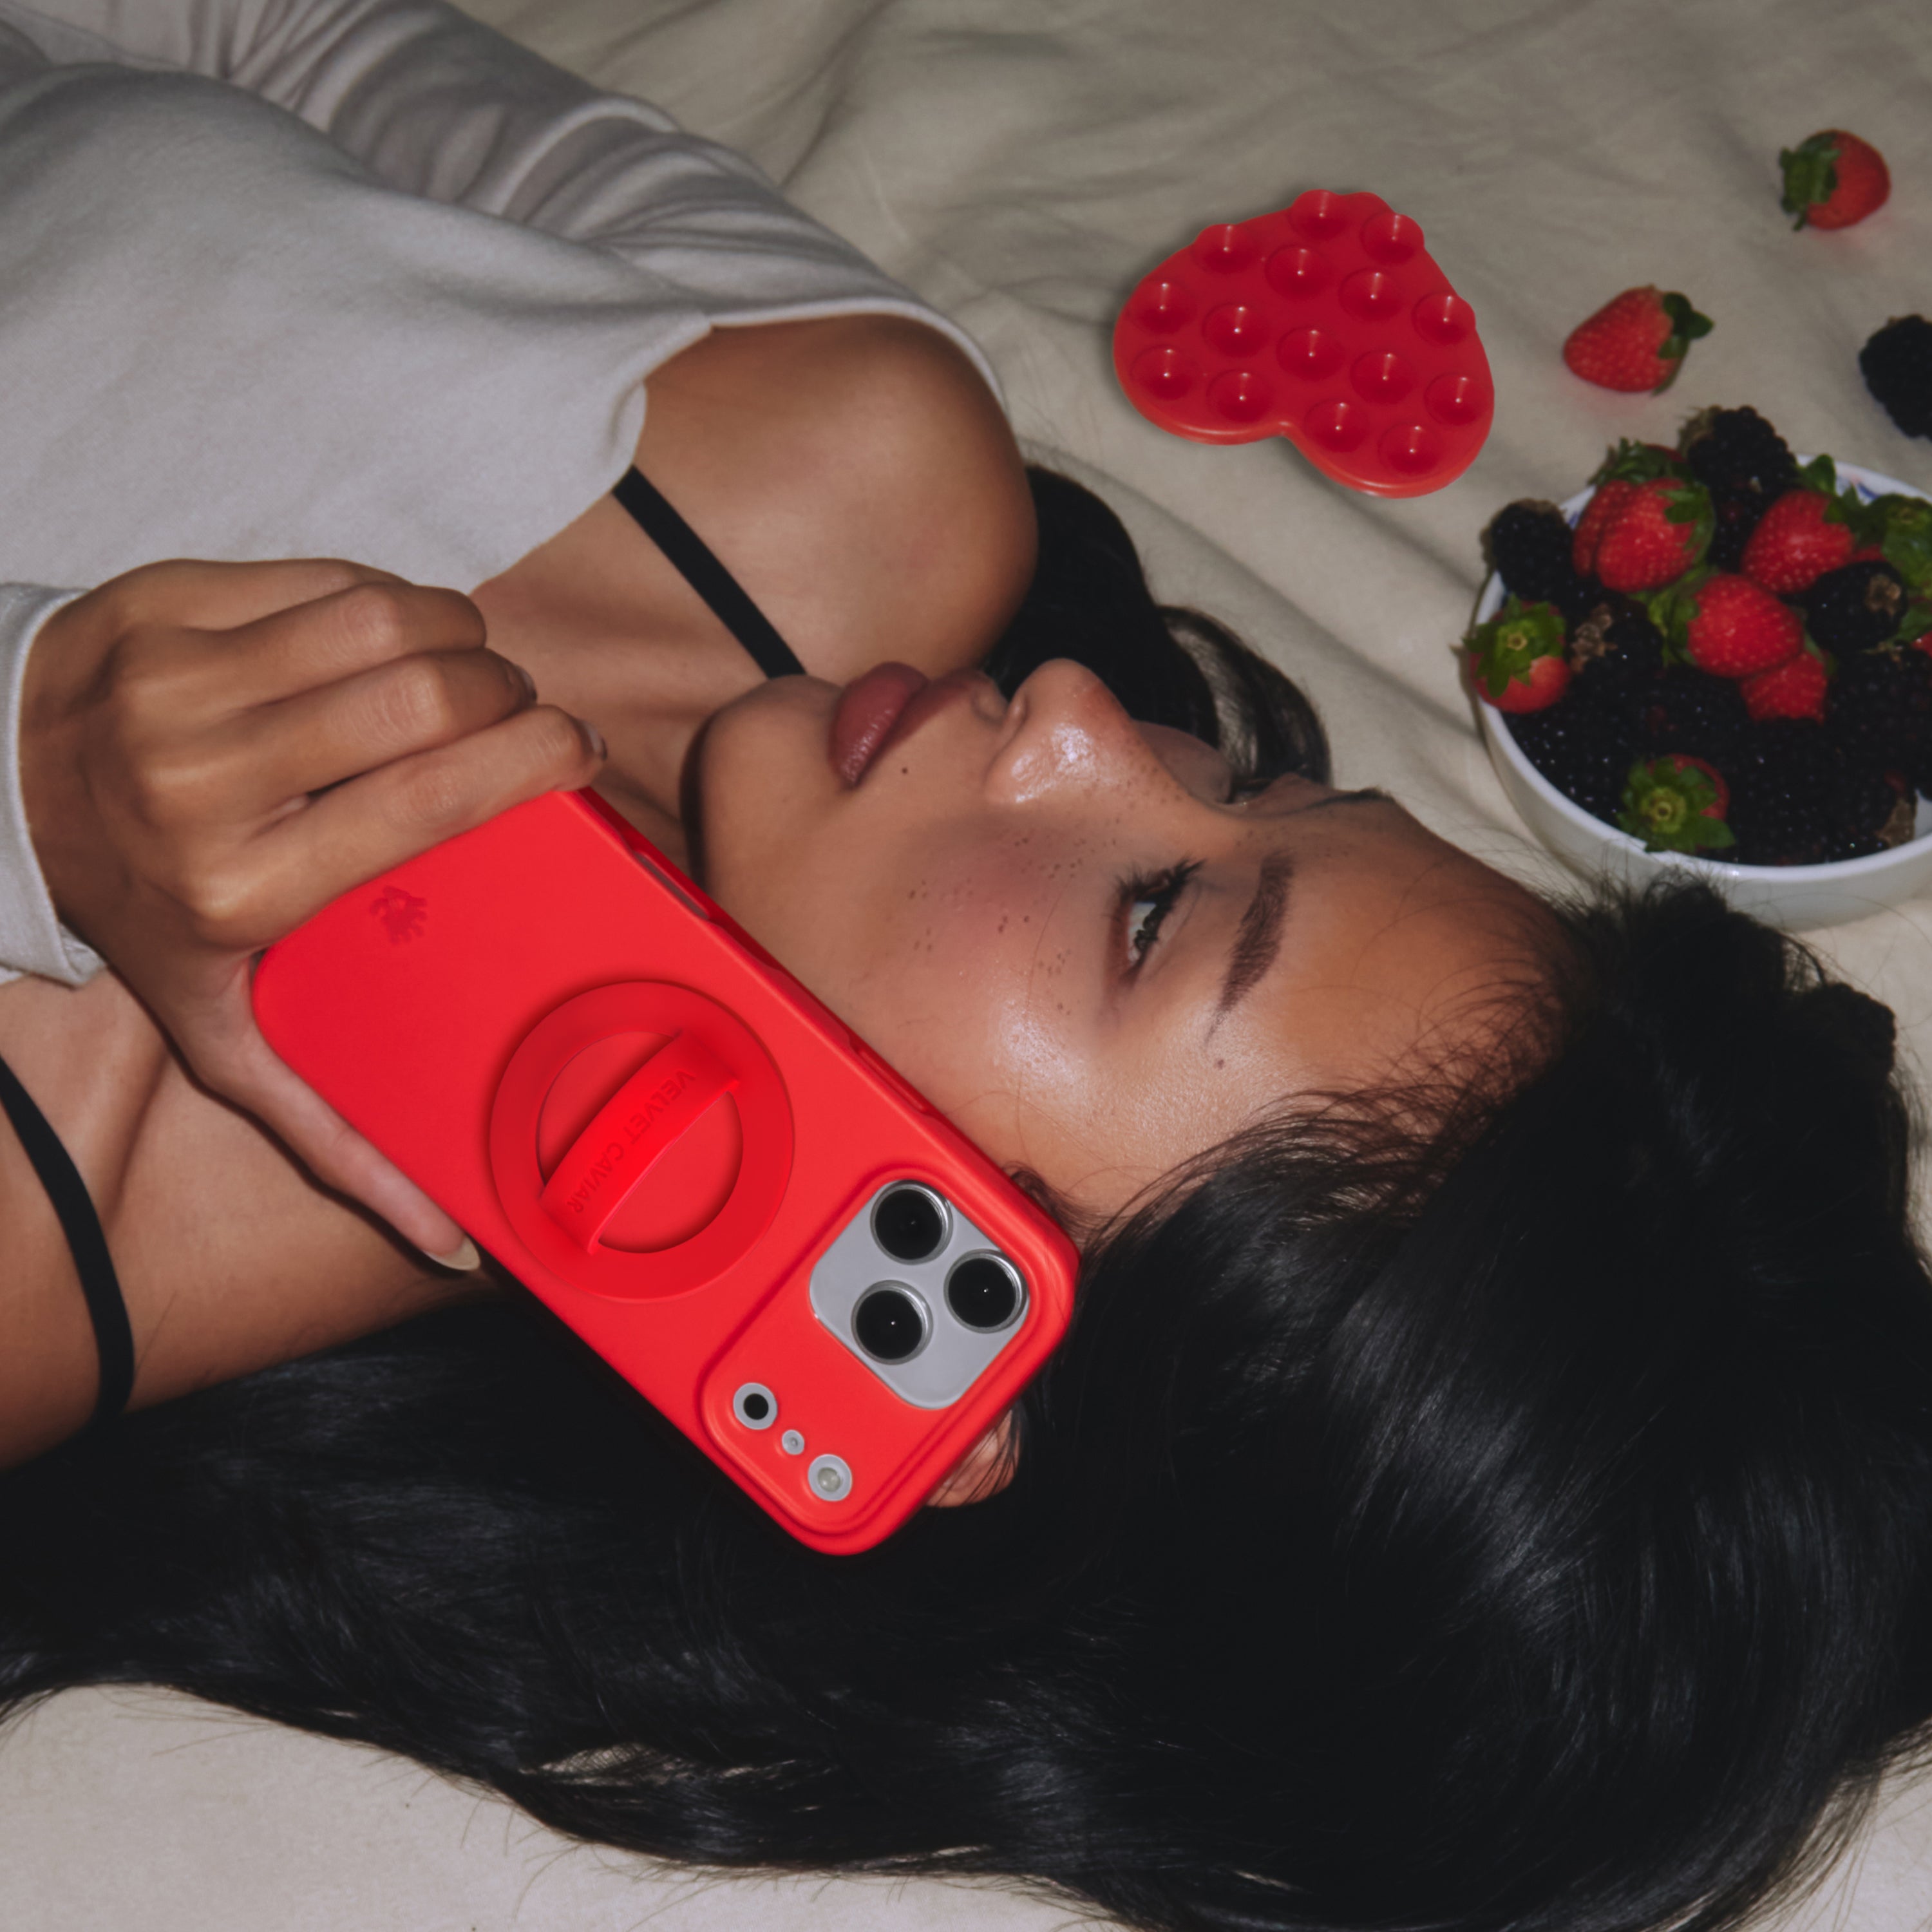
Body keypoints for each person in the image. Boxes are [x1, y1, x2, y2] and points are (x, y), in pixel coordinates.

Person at [2, 7, 1931, 1932]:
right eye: (1256, 787)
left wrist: (36, 776)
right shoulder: (868, 470)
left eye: (1151, 919)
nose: (1081, 713)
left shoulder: (62, 1235)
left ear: (930, 1374)